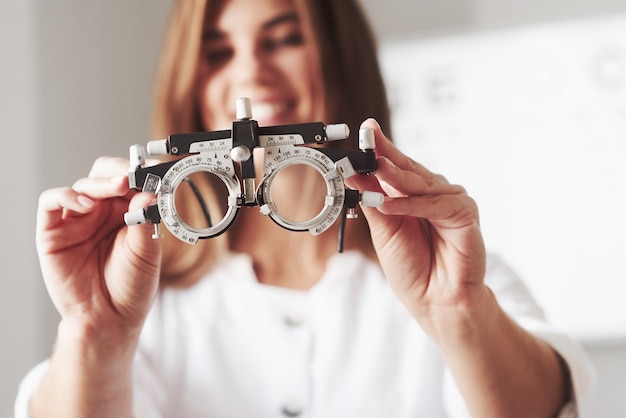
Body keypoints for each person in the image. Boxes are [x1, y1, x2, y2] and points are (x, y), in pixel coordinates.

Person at [15, 0, 595, 417]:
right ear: (190, 83)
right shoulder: (148, 305)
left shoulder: (451, 273)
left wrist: (456, 311)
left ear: (341, 56)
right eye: (218, 52)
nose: (251, 74)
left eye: (284, 38)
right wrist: (93, 333)